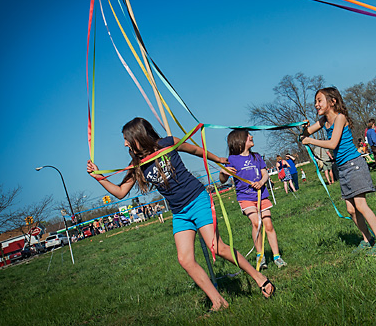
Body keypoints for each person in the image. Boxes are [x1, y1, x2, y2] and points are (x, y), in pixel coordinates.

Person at [87, 117, 275, 312]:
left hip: (198, 199)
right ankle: (218, 302)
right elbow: (120, 192)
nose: (125, 143)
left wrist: (218, 159)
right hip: (179, 212)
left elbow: (195, 150)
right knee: (185, 259)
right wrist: (98, 177)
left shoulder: (167, 143)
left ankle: (260, 278)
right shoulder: (137, 164)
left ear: (138, 136)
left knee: (218, 247)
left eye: (127, 138)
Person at [302, 87, 376, 256]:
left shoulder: (339, 118)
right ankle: (367, 238)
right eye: (315, 101)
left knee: (361, 206)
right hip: (343, 168)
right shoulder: (323, 121)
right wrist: (304, 127)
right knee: (351, 210)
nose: (316, 104)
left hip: (354, 164)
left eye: (319, 100)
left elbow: (333, 144)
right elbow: (305, 133)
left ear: (332, 101)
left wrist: (311, 140)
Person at [219, 130, 287, 269]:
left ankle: (276, 256)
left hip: (261, 195)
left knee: (268, 224)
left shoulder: (256, 157)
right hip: (245, 198)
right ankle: (260, 256)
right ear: (239, 140)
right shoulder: (232, 159)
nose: (252, 136)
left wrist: (262, 182)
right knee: (256, 223)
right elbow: (223, 180)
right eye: (248, 135)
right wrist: (223, 172)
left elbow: (265, 174)